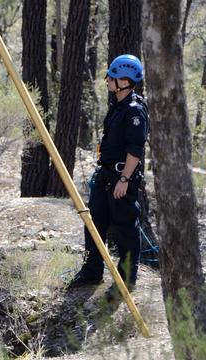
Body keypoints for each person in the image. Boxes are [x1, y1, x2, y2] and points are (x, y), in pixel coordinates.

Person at [67, 54, 148, 300]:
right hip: (106, 176)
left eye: (111, 77)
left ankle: (126, 280)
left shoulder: (134, 111)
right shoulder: (117, 105)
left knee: (125, 228)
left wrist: (124, 180)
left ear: (124, 81)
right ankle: (92, 271)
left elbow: (136, 149)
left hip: (121, 179)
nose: (107, 81)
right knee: (95, 222)